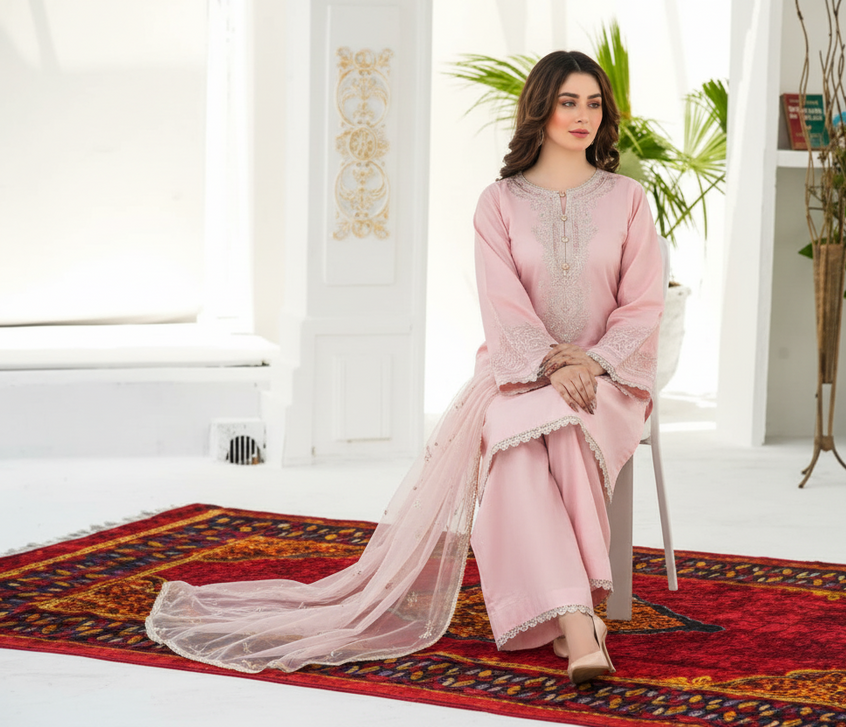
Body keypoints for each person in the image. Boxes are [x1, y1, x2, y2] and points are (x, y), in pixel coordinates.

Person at [144, 50, 663, 686]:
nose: (582, 115)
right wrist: (551, 364)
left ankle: (571, 619)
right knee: (523, 440)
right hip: (518, 375)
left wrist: (593, 362)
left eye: (592, 102)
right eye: (567, 102)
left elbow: (643, 306)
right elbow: (502, 306)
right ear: (541, 110)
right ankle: (582, 623)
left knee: (552, 426)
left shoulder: (628, 199)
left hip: (608, 383)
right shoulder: (499, 202)